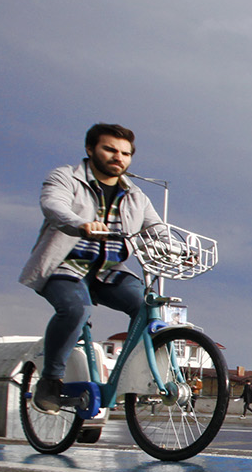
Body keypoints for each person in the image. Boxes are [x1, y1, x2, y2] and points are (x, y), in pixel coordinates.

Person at [18, 123, 165, 411]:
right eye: (109, 149)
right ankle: (51, 379)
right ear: (90, 149)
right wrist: (80, 224)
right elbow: (53, 205)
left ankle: (130, 376)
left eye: (125, 153)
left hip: (109, 271)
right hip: (65, 267)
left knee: (147, 306)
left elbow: (156, 229)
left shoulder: (136, 196)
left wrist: (178, 248)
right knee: (76, 308)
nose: (117, 157)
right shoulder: (65, 177)